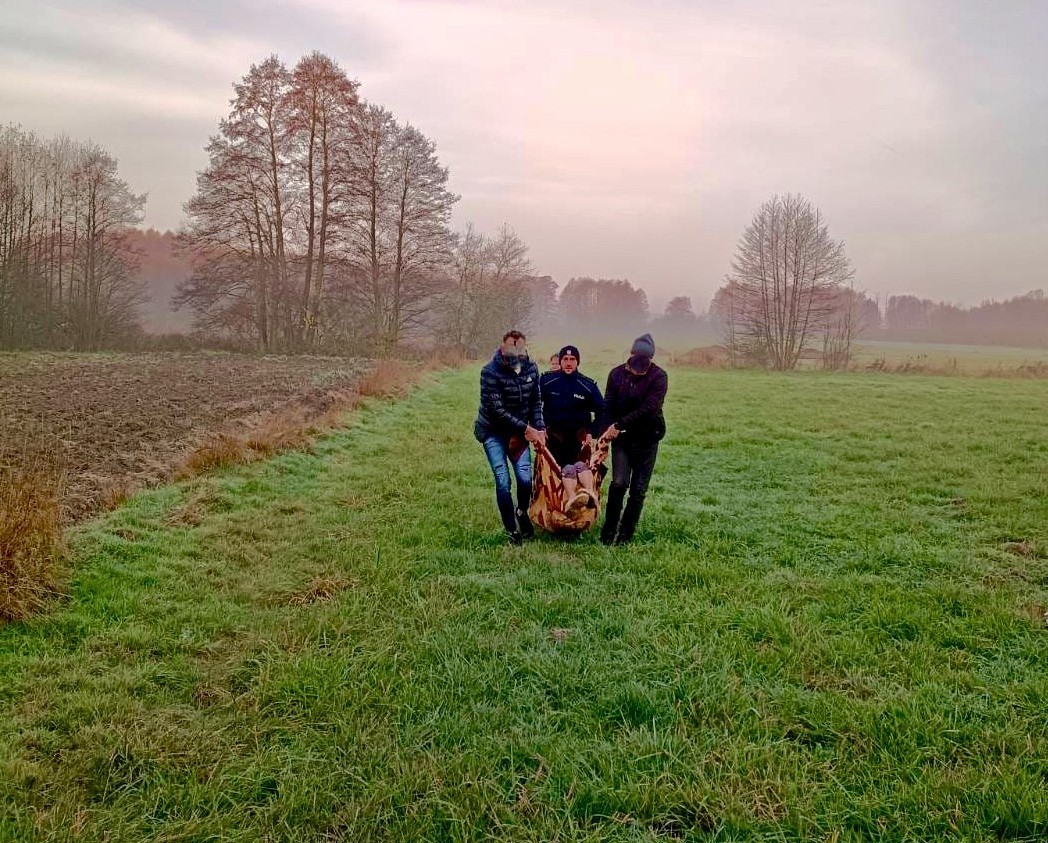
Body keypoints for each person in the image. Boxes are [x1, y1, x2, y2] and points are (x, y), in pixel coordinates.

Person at [474, 330, 547, 545]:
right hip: (493, 432)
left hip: (520, 434)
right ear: (502, 346)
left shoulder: (532, 368)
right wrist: (527, 429)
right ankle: (511, 529)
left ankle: (521, 511)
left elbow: (535, 402)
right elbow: (496, 409)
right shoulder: (489, 371)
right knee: (503, 480)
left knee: (525, 479)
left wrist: (540, 427)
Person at [600, 333, 668, 545]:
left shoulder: (659, 376)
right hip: (622, 441)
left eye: (646, 359)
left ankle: (624, 536)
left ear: (651, 358)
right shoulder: (616, 374)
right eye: (638, 357)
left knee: (638, 490)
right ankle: (608, 532)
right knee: (619, 483)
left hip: (648, 438)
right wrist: (606, 431)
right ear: (631, 355)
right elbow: (608, 404)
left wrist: (619, 426)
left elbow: (650, 408)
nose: (642, 362)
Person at [538, 344, 605, 470]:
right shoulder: (547, 381)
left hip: (578, 439)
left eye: (572, 359)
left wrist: (592, 433)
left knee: (576, 475)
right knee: (551, 477)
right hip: (552, 437)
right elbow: (534, 405)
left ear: (577, 362)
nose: (568, 363)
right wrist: (539, 428)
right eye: (565, 359)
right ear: (560, 361)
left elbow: (602, 410)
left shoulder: (587, 386)